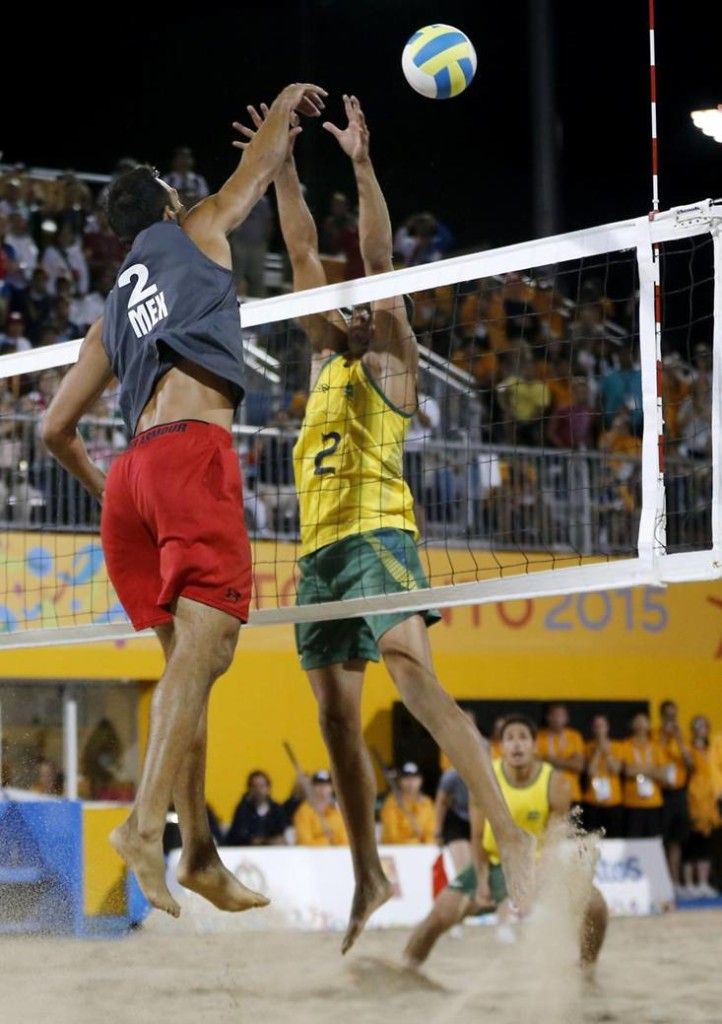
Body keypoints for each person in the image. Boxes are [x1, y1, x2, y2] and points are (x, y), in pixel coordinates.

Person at [234, 94, 534, 953]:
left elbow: (373, 257)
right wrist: (282, 162)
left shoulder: (394, 354)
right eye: (349, 299)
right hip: (319, 554)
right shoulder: (325, 352)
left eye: (367, 298)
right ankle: (369, 871)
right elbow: (297, 250)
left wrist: (361, 167)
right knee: (334, 719)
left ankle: (506, 831)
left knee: (409, 668)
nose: (355, 301)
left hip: (379, 536)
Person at [40, 81, 327, 918]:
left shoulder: (112, 308)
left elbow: (55, 428)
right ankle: (144, 827)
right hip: (189, 455)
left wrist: (114, 497)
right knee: (211, 650)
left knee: (188, 668)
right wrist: (282, 105)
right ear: (166, 201)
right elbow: (261, 164)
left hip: (133, 475)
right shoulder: (194, 226)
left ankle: (199, 851)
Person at [403, 714, 608, 971]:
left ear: (534, 746)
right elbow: (476, 836)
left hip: (539, 865)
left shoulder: (554, 782)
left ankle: (587, 967)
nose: (517, 744)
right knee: (437, 918)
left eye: (523, 737)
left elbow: (555, 840)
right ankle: (406, 967)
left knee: (597, 907)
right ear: (502, 747)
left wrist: (537, 882)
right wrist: (480, 880)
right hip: (495, 865)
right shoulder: (485, 777)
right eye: (510, 738)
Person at [656, 700, 694, 895]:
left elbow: (689, 763)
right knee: (662, 839)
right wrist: (664, 736)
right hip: (660, 793)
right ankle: (662, 881)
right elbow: (654, 756)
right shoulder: (655, 735)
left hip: (678, 793)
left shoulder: (682, 737)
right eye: (667, 715)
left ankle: (675, 881)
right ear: (661, 716)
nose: (671, 719)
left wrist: (678, 739)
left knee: (676, 840)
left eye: (674, 715)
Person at [682, 715, 720, 898]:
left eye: (703, 726)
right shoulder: (689, 748)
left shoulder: (712, 749)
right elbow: (688, 766)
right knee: (691, 844)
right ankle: (689, 884)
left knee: (706, 843)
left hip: (709, 801)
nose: (700, 729)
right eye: (697, 726)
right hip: (693, 798)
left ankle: (703, 883)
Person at [620, 712, 667, 838]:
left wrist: (638, 769)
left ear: (649, 724)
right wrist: (651, 769)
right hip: (632, 803)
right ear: (632, 725)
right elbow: (626, 771)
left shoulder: (656, 747)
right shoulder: (625, 745)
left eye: (644, 721)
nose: (641, 725)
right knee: (634, 841)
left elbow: (663, 773)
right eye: (637, 721)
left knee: (655, 841)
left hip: (654, 803)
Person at [582, 713, 624, 839]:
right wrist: (598, 750)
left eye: (602, 726)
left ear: (607, 727)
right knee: (593, 839)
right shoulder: (586, 747)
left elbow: (616, 769)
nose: (599, 729)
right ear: (592, 729)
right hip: (593, 802)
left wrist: (607, 752)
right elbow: (590, 771)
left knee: (613, 839)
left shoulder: (617, 746)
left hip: (614, 802)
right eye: (596, 726)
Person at [537, 702, 585, 811]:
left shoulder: (574, 736)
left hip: (572, 794)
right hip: (547, 793)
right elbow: (536, 764)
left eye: (560, 715)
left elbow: (579, 766)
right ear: (547, 717)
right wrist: (568, 761)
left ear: (566, 718)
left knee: (571, 828)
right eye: (554, 715)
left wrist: (551, 760)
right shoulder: (539, 736)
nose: (557, 719)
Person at [225, 769, 288, 846]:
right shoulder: (243, 809)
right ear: (249, 789)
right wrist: (264, 841)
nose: (258, 790)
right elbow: (239, 835)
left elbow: (282, 833)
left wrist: (266, 841)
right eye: (255, 786)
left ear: (268, 788)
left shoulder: (277, 809)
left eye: (262, 786)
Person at [379, 761, 435, 844]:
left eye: (414, 778)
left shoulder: (427, 803)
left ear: (421, 780)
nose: (411, 782)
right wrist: (414, 842)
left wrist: (425, 841)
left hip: (424, 851)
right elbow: (392, 836)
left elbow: (432, 834)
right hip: (398, 851)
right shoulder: (392, 803)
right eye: (406, 778)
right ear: (399, 781)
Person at [293, 769, 348, 845]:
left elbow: (344, 841)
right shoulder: (304, 811)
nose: (322, 788)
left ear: (332, 787)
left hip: (337, 855)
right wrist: (327, 841)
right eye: (318, 784)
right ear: (312, 787)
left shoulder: (338, 811)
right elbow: (304, 842)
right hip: (312, 855)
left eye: (326, 784)